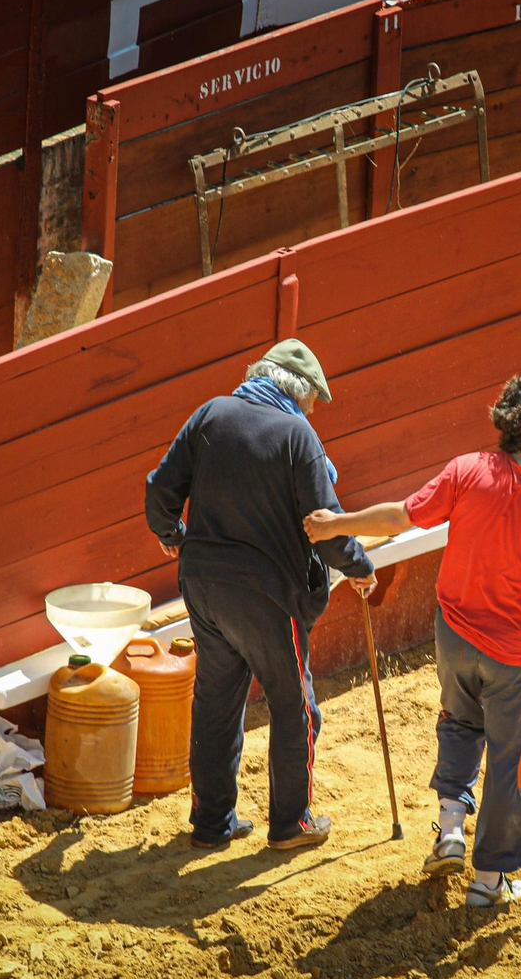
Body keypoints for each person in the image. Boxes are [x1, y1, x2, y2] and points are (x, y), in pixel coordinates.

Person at [304, 370, 521, 906]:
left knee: (458, 723)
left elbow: (400, 518)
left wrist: (338, 523)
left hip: (454, 637)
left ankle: (451, 828)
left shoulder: (468, 471)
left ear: (507, 419)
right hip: (517, 659)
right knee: (508, 760)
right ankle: (488, 883)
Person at [146, 338, 376, 851]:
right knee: (295, 707)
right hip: (268, 598)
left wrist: (172, 535)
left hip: (203, 588)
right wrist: (359, 567)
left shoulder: (212, 413)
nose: (313, 412)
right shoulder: (298, 436)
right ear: (300, 391)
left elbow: (160, 490)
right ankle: (291, 823)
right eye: (314, 402)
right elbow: (325, 527)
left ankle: (211, 824)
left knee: (216, 703)